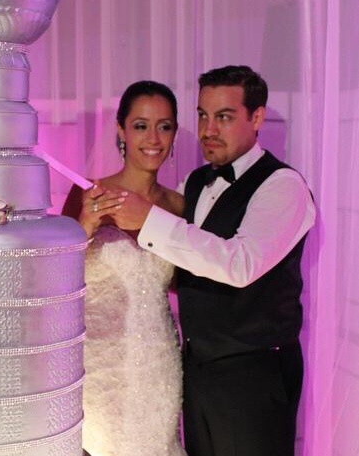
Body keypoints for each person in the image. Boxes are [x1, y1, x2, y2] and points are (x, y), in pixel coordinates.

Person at [111, 65, 316, 456]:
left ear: (256, 117)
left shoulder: (283, 186)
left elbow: (239, 264)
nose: (208, 130)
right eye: (203, 116)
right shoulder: (194, 182)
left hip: (253, 376)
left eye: (223, 117)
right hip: (197, 374)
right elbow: (186, 264)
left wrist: (148, 220)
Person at [62, 80, 186, 456]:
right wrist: (84, 227)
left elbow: (188, 284)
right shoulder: (88, 193)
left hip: (158, 362)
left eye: (164, 126)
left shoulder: (180, 206)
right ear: (121, 130)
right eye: (141, 125)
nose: (153, 138)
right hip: (100, 365)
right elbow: (52, 278)